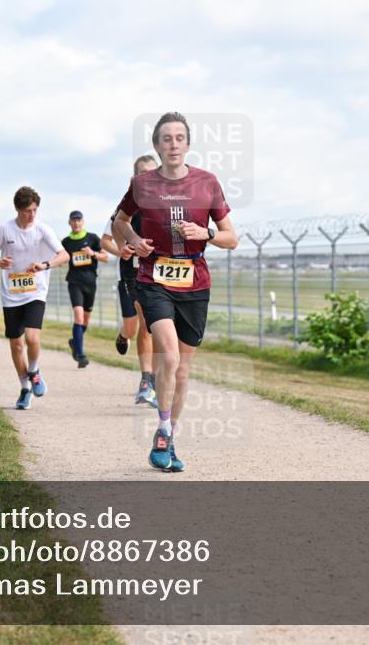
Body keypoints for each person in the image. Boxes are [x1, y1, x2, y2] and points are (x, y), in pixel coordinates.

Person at [112, 112, 238, 473]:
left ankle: (171, 435)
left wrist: (207, 234)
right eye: (166, 138)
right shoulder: (142, 185)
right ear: (156, 145)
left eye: (179, 138)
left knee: (182, 371)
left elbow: (231, 237)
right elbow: (119, 222)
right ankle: (163, 431)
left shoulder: (207, 183)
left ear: (188, 143)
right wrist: (134, 241)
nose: (173, 144)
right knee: (168, 358)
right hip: (154, 278)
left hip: (195, 282)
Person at [0, 186, 69, 410]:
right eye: (28, 210)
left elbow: (64, 255)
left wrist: (44, 265)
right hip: (11, 294)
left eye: (35, 210)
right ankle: (24, 388)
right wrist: (0, 262)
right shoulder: (3, 229)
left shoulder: (42, 230)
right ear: (18, 209)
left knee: (32, 339)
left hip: (35, 291)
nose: (32, 214)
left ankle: (34, 370)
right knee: (16, 345)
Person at [102, 154, 160, 407]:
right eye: (143, 174)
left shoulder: (166, 204)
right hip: (132, 273)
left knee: (156, 326)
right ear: (134, 178)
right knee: (139, 326)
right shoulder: (124, 209)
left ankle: (153, 380)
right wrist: (121, 248)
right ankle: (146, 378)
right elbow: (111, 234)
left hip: (161, 272)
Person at [61, 210, 109, 368]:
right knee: (79, 317)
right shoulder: (66, 242)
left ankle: (75, 341)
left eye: (79, 220)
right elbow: (60, 257)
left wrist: (92, 253)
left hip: (90, 283)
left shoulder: (92, 238)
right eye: (73, 220)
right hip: (74, 282)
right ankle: (81, 355)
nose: (76, 223)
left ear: (83, 222)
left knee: (85, 320)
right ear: (69, 223)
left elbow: (105, 257)